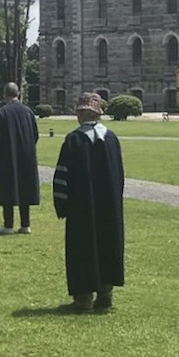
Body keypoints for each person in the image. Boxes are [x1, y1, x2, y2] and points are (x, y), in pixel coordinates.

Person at [52, 92, 125, 313]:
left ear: (82, 114)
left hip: (81, 208)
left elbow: (62, 177)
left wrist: (61, 205)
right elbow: (119, 176)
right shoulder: (111, 140)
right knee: (107, 246)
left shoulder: (73, 140)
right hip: (109, 208)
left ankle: (83, 298)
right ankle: (105, 295)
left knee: (82, 249)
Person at [0, 82, 40, 234]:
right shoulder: (28, 111)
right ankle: (25, 224)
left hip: (7, 157)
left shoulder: (2, 112)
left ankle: (8, 224)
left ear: (5, 94)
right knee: (25, 188)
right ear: (18, 94)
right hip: (26, 156)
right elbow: (35, 135)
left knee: (7, 188)